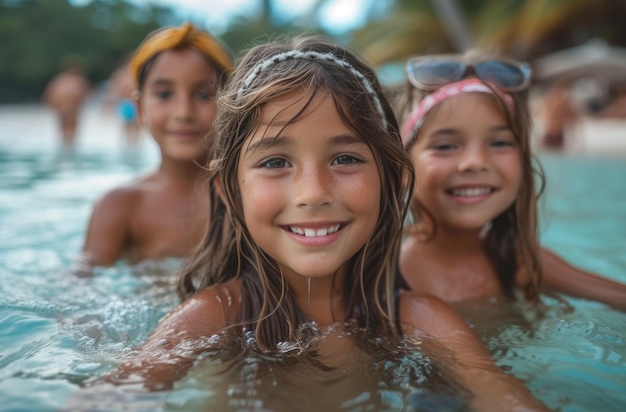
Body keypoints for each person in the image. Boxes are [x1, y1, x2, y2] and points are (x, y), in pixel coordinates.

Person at [72, 36, 549, 412]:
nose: (314, 192)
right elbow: (114, 395)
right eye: (276, 162)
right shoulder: (211, 315)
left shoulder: (421, 320)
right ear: (227, 190)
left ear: (395, 179)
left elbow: (500, 396)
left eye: (344, 158)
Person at [396, 52, 626, 311]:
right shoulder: (387, 279)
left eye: (500, 143)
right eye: (446, 146)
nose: (475, 162)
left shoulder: (518, 260)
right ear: (405, 169)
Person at [77, 22, 234, 271]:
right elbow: (80, 290)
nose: (183, 112)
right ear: (139, 109)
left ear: (231, 104)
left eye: (204, 95)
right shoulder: (122, 205)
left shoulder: (247, 196)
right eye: (164, 95)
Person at [41, 57, 90, 148]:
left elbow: (47, 96)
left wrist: (53, 107)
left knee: (63, 129)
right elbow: (84, 96)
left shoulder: (58, 81)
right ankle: (69, 146)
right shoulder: (78, 81)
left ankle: (64, 146)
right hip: (72, 109)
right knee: (71, 129)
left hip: (61, 109)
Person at [102, 55, 142, 147]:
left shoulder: (125, 74)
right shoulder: (133, 73)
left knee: (131, 126)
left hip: (129, 103)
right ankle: (130, 146)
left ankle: (129, 146)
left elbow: (113, 90)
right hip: (128, 103)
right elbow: (113, 90)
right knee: (130, 126)